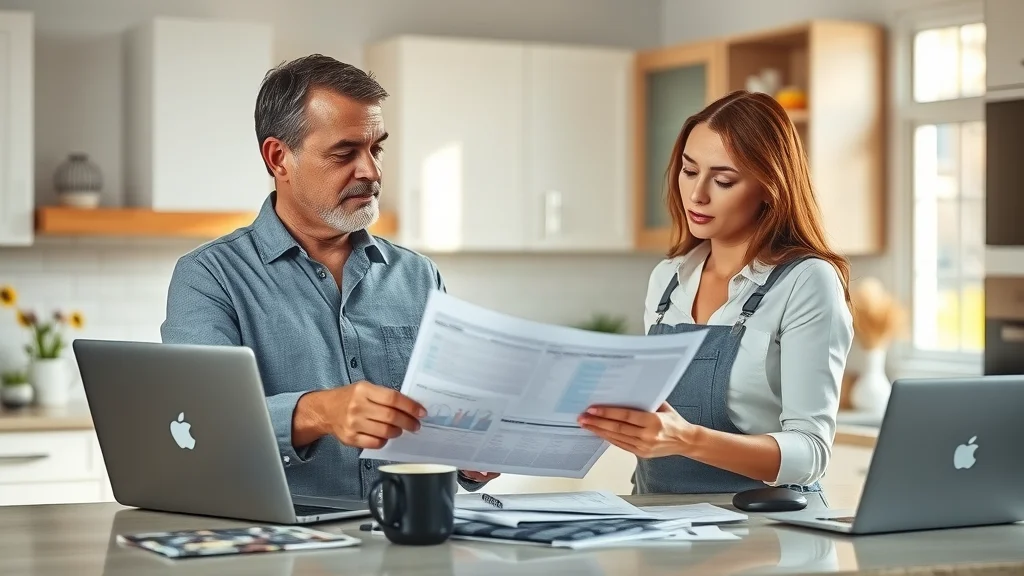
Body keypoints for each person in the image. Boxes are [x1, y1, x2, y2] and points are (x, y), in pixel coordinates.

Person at [160, 54, 498, 500]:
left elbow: (442, 436)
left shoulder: (419, 276)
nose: (372, 172)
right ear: (279, 157)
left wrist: (472, 461)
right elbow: (199, 427)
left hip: (410, 545)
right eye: (345, 153)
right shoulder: (209, 276)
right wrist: (318, 412)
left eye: (376, 148)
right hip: (283, 551)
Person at [578, 90, 854, 501]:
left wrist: (687, 440)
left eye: (723, 180)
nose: (697, 194)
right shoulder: (668, 278)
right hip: (659, 525)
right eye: (689, 171)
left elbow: (810, 452)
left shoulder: (806, 281)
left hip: (766, 533)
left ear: (769, 187)